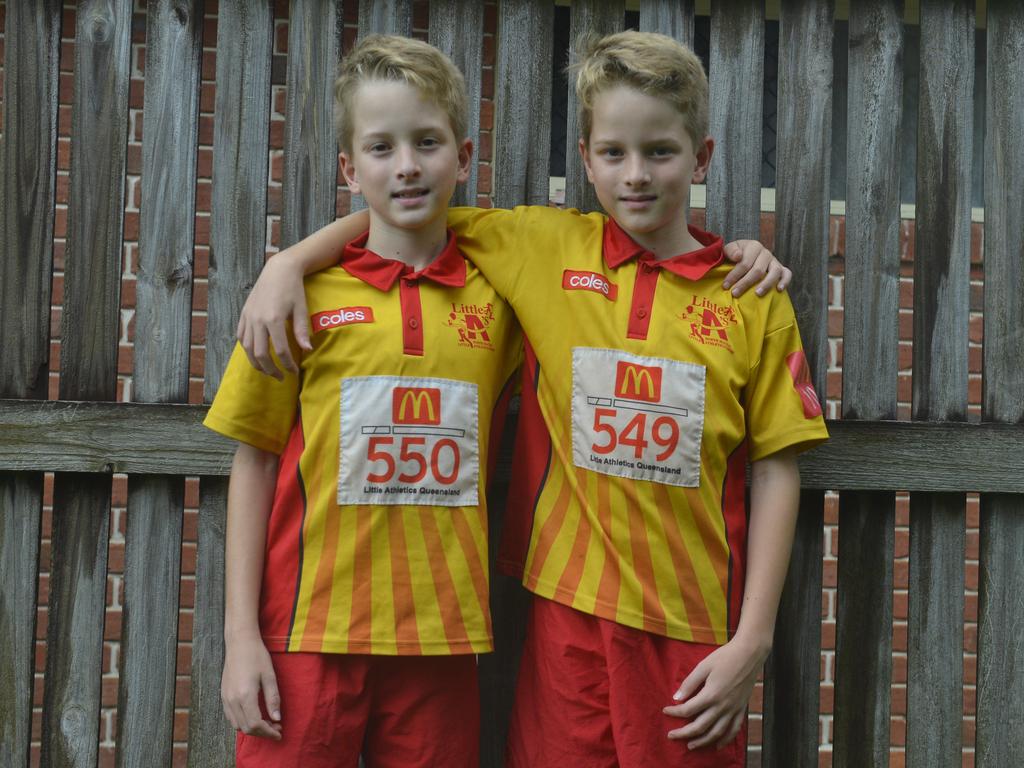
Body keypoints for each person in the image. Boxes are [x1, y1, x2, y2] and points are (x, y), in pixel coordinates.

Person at [234, 31, 826, 768]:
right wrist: (286, 262)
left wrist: (754, 639)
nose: (636, 175)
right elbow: (408, 212)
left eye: (661, 153)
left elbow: (775, 468)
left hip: (692, 628)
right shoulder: (542, 248)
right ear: (585, 159)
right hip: (562, 615)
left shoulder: (751, 298)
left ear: (701, 157)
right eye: (613, 153)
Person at [204, 35, 524, 768]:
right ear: (350, 169)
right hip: (304, 635)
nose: (406, 165)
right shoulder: (297, 299)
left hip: (441, 639)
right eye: (380, 148)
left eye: (427, 142)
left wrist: (736, 254)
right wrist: (240, 638)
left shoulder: (503, 294)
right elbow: (252, 462)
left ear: (464, 157)